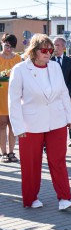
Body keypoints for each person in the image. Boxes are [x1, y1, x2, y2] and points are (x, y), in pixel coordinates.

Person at [8, 34, 71, 210]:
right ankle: (30, 198)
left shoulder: (55, 67)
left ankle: (64, 198)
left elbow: (63, 93)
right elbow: (13, 101)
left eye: (50, 50)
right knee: (31, 163)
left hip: (57, 121)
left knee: (58, 160)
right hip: (31, 124)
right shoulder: (21, 69)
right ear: (34, 51)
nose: (48, 53)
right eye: (44, 50)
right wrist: (18, 127)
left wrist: (69, 118)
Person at [51, 37, 71, 147]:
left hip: (68, 94)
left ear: (63, 47)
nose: (54, 47)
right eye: (53, 45)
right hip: (52, 95)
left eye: (57, 45)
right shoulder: (49, 61)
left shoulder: (70, 62)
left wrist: (66, 91)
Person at [0, 34, 22, 163]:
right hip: (1, 95)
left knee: (13, 125)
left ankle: (11, 151)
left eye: (12, 47)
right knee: (2, 124)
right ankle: (3, 152)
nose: (9, 49)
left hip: (14, 95)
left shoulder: (18, 58)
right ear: (2, 43)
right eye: (7, 45)